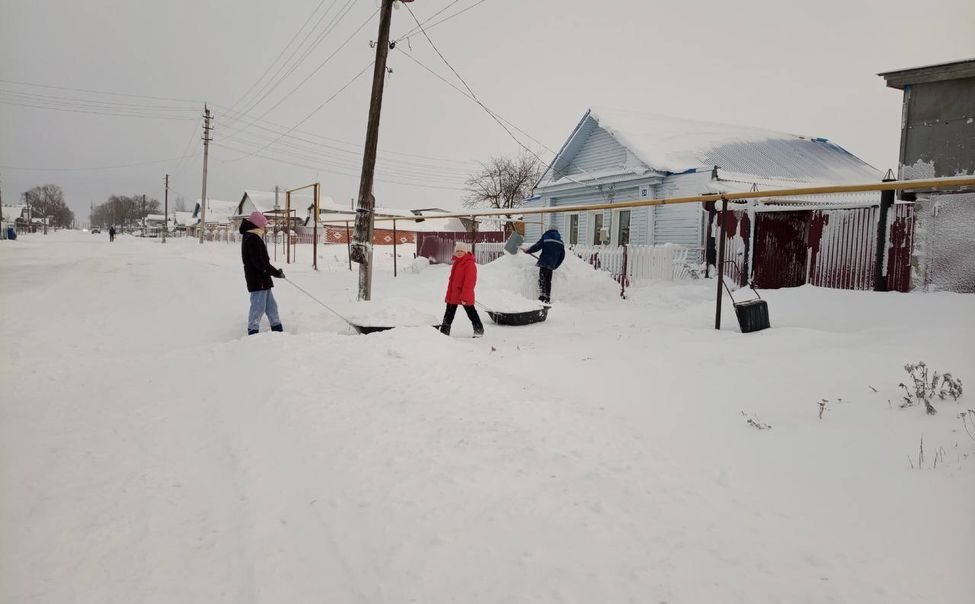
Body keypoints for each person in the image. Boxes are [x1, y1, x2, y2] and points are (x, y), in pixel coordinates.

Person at [240, 211, 285, 335]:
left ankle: (278, 331)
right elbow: (259, 263)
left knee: (271, 307)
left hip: (262, 279)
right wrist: (275, 272)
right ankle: (252, 332)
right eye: (264, 225)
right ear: (257, 225)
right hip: (257, 280)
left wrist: (274, 272)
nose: (265, 227)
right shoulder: (252, 238)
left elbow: (262, 262)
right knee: (257, 308)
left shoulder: (253, 236)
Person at [439, 241, 484, 338]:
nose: (459, 253)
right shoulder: (456, 263)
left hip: (464, 294)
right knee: (449, 313)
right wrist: (449, 295)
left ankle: (479, 330)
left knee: (471, 313)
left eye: (461, 251)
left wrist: (465, 296)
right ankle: (444, 332)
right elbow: (452, 281)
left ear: (465, 252)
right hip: (453, 294)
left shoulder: (469, 264)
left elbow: (470, 281)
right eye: (457, 251)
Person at [524, 227, 566, 304]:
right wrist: (555, 265)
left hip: (544, 262)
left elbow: (537, 246)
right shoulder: (560, 242)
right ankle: (547, 298)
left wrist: (528, 250)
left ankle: (542, 297)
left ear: (548, 230)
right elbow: (562, 256)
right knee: (548, 281)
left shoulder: (546, 237)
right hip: (552, 264)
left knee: (542, 279)